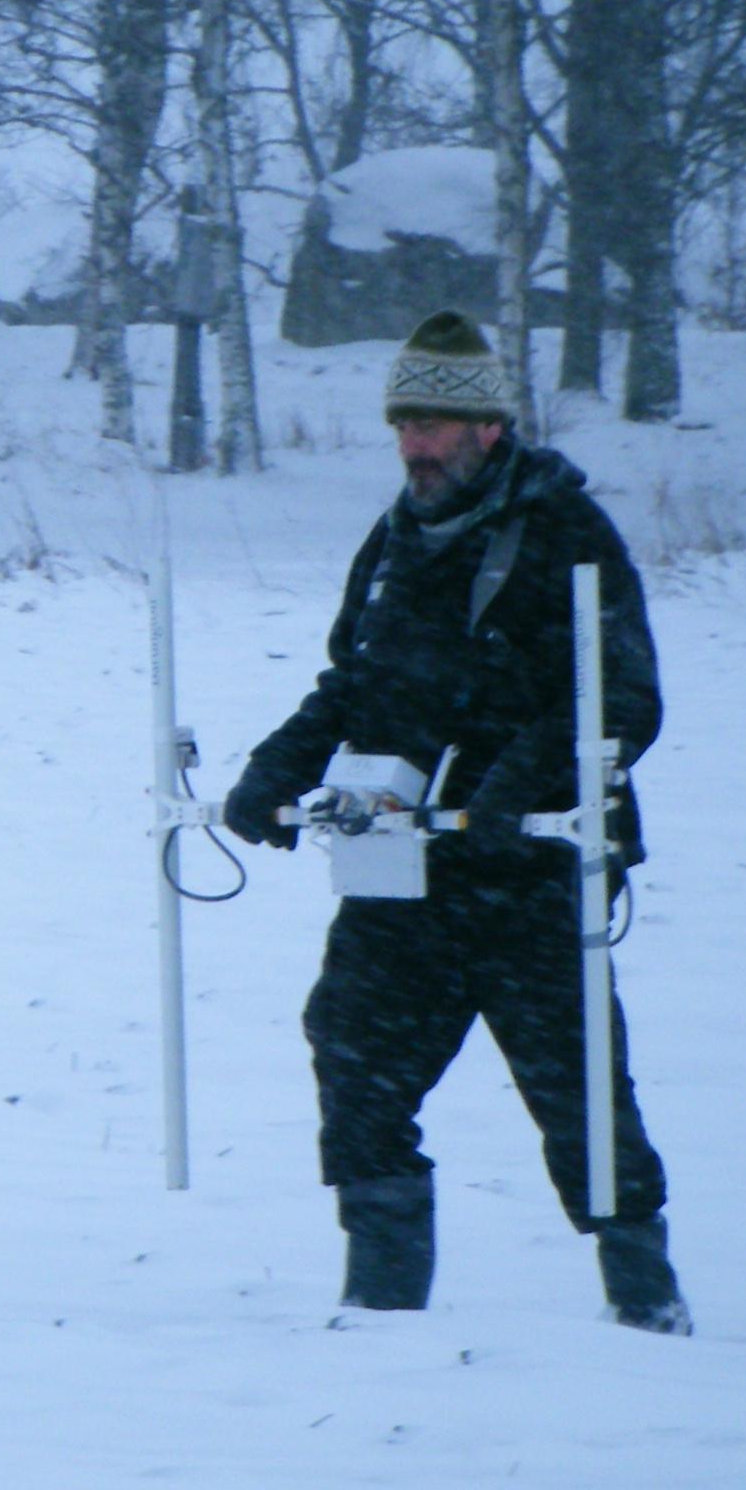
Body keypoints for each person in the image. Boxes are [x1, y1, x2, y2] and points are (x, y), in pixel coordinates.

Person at [220, 310, 690, 1333]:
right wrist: (273, 771)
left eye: (435, 423)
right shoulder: (392, 542)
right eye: (404, 423)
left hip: (528, 878)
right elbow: (352, 684)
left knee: (584, 1102)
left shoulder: (569, 535)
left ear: (488, 429)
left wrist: (513, 794)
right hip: (401, 877)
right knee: (349, 1051)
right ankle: (384, 1311)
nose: (416, 445)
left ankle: (647, 1309)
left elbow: (622, 698)